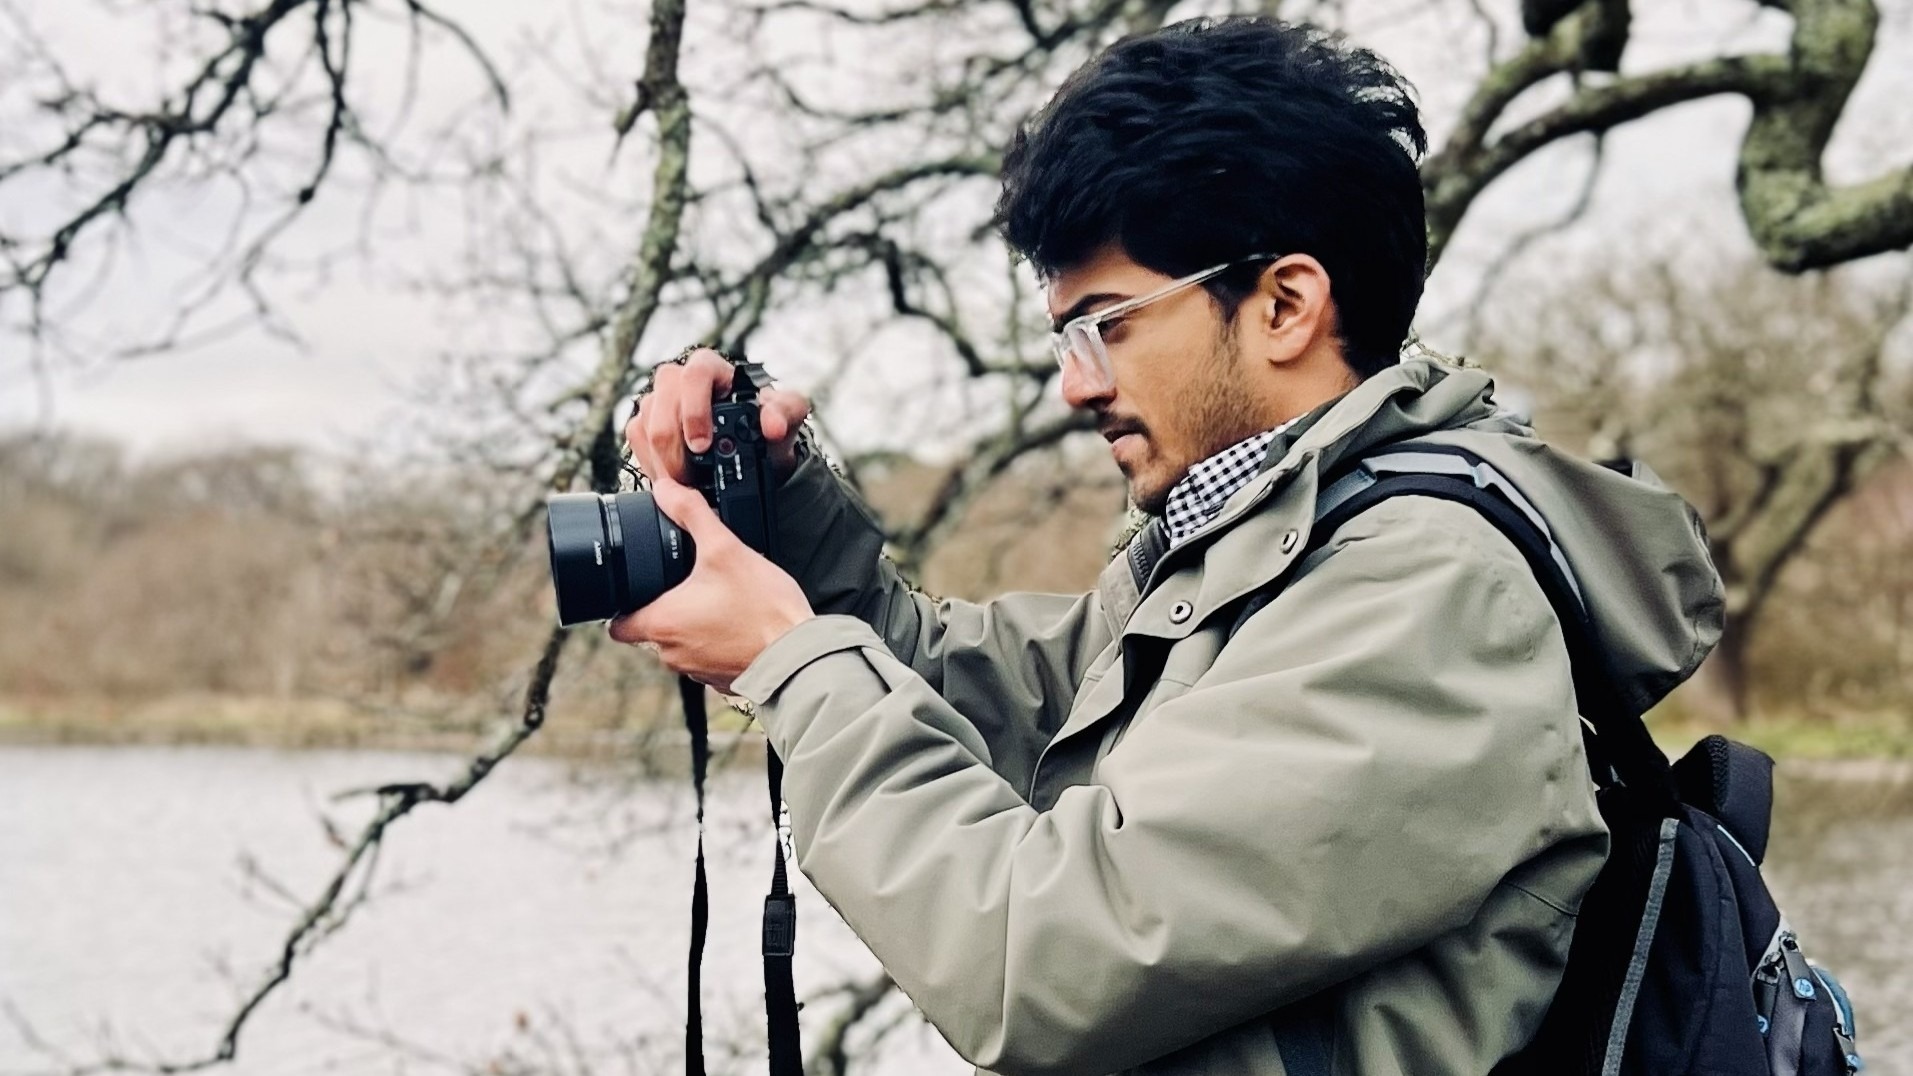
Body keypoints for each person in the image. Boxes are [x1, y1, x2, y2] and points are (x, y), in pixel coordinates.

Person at [610, 16, 1721, 1076]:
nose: (1073, 383)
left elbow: (1035, 955)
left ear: (1284, 303)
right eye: (1060, 337)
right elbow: (1007, 704)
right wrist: (784, 513)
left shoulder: (1427, 594)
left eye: (1105, 323)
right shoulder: (1247, 544)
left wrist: (793, 664)